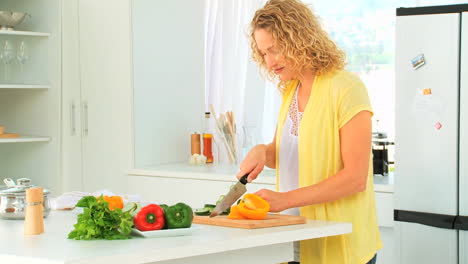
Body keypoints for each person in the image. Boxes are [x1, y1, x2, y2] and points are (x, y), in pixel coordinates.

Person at [236, 0, 382, 263]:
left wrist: (285, 199)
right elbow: (294, 153)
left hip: (340, 245)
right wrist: (262, 151)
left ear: (299, 39)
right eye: (263, 53)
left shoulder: (346, 87)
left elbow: (355, 177)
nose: (269, 63)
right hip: (293, 239)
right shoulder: (291, 90)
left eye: (275, 50)